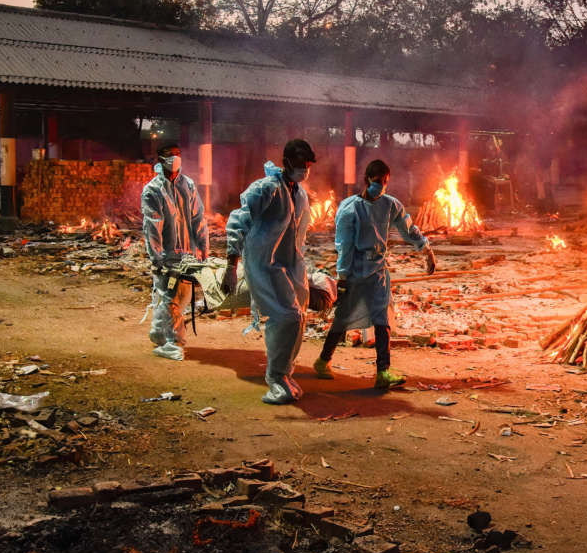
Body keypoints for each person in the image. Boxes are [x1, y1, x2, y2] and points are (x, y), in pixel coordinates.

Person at [314, 159, 436, 389]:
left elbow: (408, 229)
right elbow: (345, 244)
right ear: (367, 179)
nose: (381, 186)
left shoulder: (390, 205)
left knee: (382, 318)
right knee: (343, 316)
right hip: (356, 271)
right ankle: (323, 360)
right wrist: (342, 276)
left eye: (385, 182)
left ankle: (383, 371)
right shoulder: (351, 208)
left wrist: (426, 250)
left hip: (378, 271)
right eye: (378, 181)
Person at [224, 139, 316, 404]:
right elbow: (238, 222)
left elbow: (298, 233)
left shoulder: (299, 193)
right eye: (300, 164)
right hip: (265, 264)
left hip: (291, 265)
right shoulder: (265, 189)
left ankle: (285, 375)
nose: (304, 169)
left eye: (308, 164)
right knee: (287, 316)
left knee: (298, 318)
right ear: (286, 162)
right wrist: (231, 265)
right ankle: (276, 379)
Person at [141, 143, 208, 361]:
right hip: (167, 256)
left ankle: (160, 333)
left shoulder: (187, 184)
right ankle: (174, 343)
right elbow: (153, 225)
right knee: (168, 297)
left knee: (181, 298)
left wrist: (203, 246)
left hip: (187, 254)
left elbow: (198, 218)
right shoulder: (153, 190)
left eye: (178, 154)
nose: (176, 159)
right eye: (171, 156)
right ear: (160, 159)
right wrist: (157, 258)